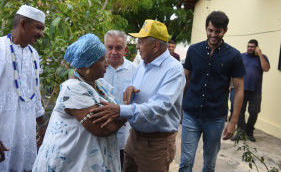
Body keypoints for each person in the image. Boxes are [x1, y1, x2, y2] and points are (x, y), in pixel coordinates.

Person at [89, 19, 186, 172]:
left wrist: (121, 110)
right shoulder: (142, 65)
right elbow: (142, 93)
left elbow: (160, 107)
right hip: (134, 138)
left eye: (141, 42)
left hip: (155, 144)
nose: (137, 46)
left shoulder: (173, 70)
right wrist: (130, 89)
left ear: (155, 45)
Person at [32, 33, 126, 171]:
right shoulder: (74, 89)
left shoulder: (98, 84)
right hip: (71, 162)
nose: (106, 64)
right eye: (101, 60)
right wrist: (126, 114)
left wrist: (119, 112)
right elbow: (101, 128)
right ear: (87, 64)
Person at [179, 11, 246, 172]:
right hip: (191, 114)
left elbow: (239, 89)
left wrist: (233, 122)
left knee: (209, 164)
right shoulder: (193, 50)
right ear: (206, 28)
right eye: (210, 30)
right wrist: (179, 108)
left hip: (215, 118)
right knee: (186, 161)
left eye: (218, 31)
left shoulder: (234, 55)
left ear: (225, 30)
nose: (213, 35)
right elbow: (184, 81)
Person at [0, 5, 47, 172]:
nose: (41, 33)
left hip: (24, 135)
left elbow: (35, 93)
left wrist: (41, 126)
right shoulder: (1, 48)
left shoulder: (33, 54)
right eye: (38, 27)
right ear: (22, 24)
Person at [103, 30, 137, 168]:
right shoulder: (96, 69)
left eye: (118, 48)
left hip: (126, 135)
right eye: (110, 47)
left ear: (126, 49)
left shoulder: (135, 70)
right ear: (104, 47)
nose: (113, 52)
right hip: (101, 131)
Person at [232, 39, 270, 142]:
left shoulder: (262, 57)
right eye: (248, 46)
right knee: (240, 111)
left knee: (254, 112)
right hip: (241, 89)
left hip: (256, 90)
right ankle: (240, 132)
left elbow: (266, 69)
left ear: (257, 47)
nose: (250, 48)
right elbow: (234, 71)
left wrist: (260, 55)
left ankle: (249, 132)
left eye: (252, 47)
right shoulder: (241, 56)